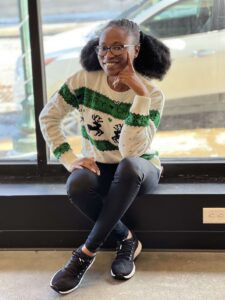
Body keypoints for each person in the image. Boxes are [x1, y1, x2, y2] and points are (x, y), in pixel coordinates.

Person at [39, 18, 171, 295]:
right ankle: (127, 240)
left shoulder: (152, 94)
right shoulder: (84, 81)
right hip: (100, 165)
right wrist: (68, 158)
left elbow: (131, 151)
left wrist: (140, 95)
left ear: (136, 50)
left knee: (129, 166)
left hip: (140, 169)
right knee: (76, 184)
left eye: (118, 47)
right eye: (102, 47)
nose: (107, 54)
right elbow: (48, 116)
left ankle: (84, 255)